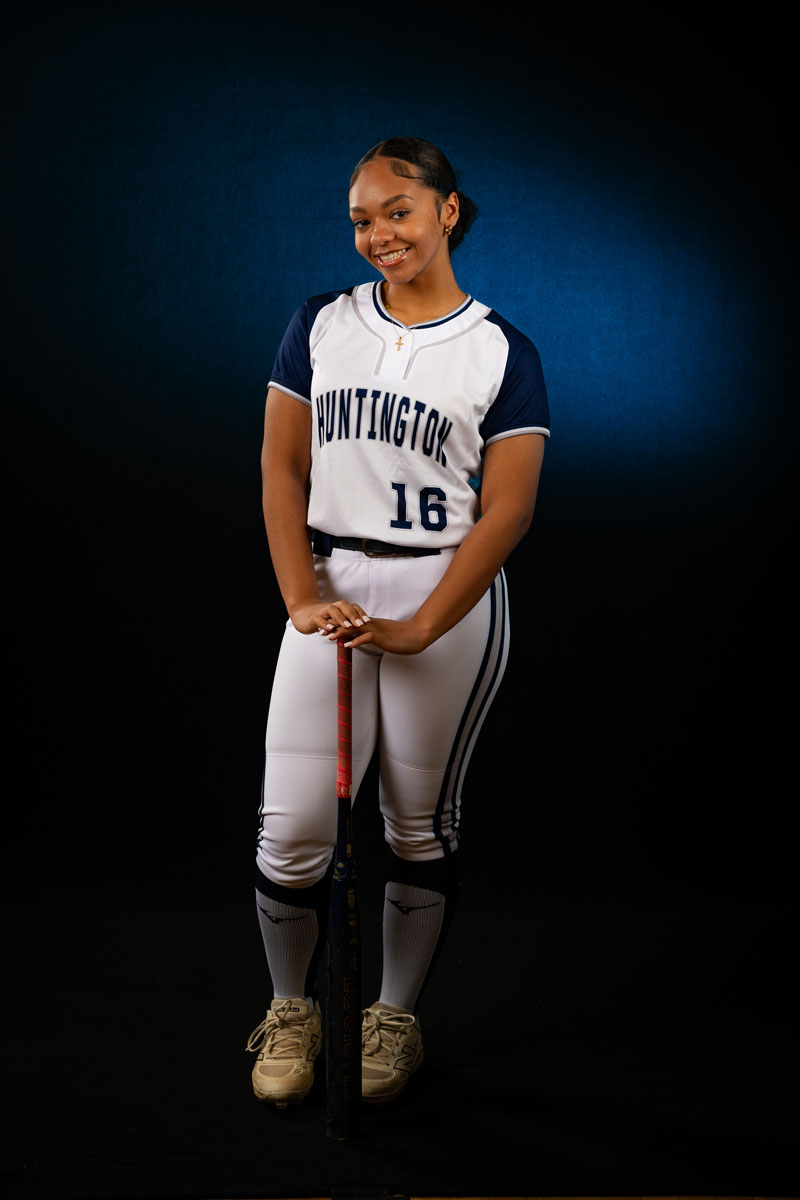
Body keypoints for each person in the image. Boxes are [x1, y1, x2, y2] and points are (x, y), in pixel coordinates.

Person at [245, 136, 550, 1108]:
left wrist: (420, 628)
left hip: (442, 593)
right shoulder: (321, 322)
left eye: (398, 211)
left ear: (446, 210)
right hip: (330, 583)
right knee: (292, 831)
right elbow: (281, 466)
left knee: (416, 826)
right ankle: (290, 1007)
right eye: (360, 219)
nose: (377, 233)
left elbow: (508, 510)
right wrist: (300, 599)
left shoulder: (499, 348)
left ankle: (393, 1015)